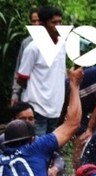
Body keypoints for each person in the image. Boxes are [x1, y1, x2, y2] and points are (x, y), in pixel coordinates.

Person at [15, 6, 66, 136]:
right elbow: (21, 78)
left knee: (51, 150)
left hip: (55, 108)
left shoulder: (62, 45)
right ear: (43, 25)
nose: (58, 26)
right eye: (54, 22)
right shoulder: (32, 48)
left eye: (60, 22)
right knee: (37, 148)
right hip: (37, 108)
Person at [10, 7, 39, 106]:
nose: (36, 24)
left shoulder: (54, 42)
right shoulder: (26, 43)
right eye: (33, 21)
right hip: (28, 94)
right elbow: (19, 69)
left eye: (38, 21)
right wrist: (15, 93)